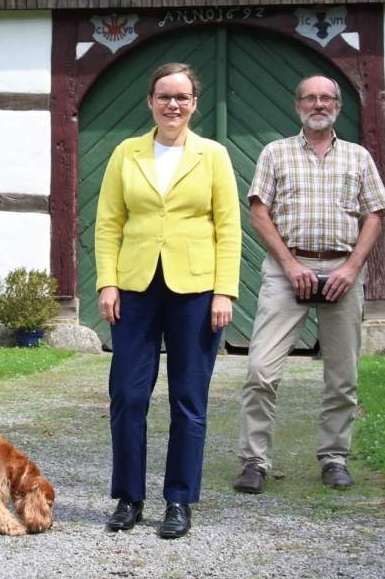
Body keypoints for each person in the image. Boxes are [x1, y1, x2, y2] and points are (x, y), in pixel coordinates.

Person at [95, 62, 241, 540]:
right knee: (128, 395)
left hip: (196, 290)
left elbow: (229, 229)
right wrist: (107, 283)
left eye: (181, 97)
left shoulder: (214, 155)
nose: (172, 105)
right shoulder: (125, 153)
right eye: (164, 96)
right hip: (135, 288)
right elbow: (108, 223)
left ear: (194, 104)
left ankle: (179, 499)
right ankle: (128, 497)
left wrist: (224, 291)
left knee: (188, 399)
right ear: (150, 102)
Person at [232, 74, 385, 496]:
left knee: (343, 376)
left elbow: (375, 215)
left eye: (326, 98)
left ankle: (334, 457)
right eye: (310, 98)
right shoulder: (275, 153)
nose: (318, 104)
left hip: (342, 270)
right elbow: (259, 213)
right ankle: (254, 461)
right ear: (298, 105)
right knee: (260, 371)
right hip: (288, 270)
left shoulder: (358, 157)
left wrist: (351, 269)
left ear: (337, 105)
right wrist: (289, 264)